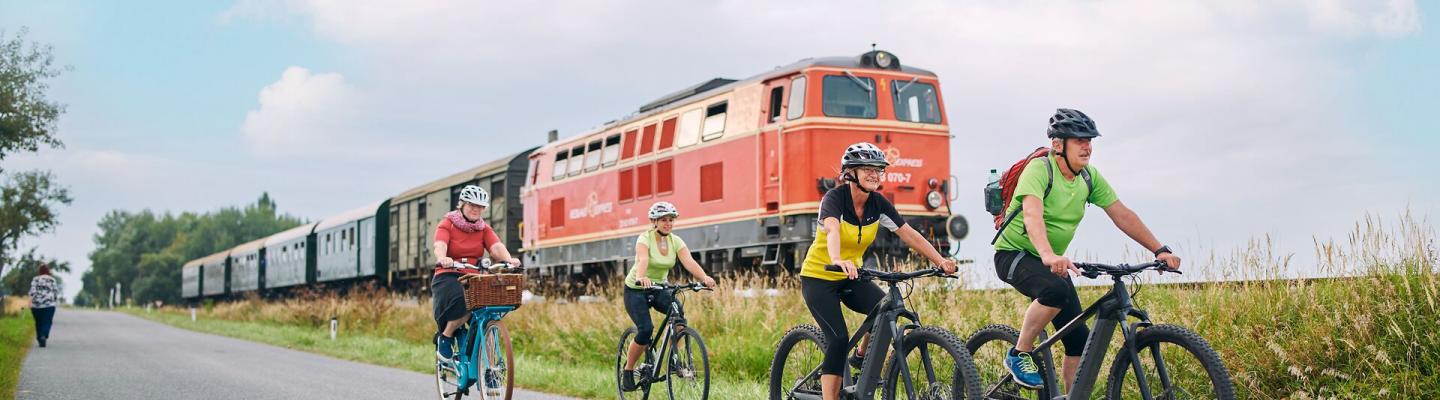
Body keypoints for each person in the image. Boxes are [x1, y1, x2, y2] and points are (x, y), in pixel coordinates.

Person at [995, 108, 1182, 389]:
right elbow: (1032, 215)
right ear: (1058, 145)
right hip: (1014, 255)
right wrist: (1047, 254)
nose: (1087, 146)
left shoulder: (1088, 177)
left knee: (1079, 342)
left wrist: (1160, 250)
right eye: (1079, 140)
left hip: (1051, 262)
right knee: (1055, 290)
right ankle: (1019, 353)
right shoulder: (1040, 169)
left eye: (1090, 140)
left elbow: (1122, 214)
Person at [801, 142, 958, 400]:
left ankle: (861, 357)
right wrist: (838, 259)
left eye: (878, 170)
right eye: (866, 169)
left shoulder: (878, 204)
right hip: (820, 278)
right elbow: (832, 230)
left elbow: (909, 234)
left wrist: (940, 260)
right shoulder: (834, 199)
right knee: (838, 338)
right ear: (850, 172)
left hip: (854, 276)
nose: (874, 174)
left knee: (884, 308)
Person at [620, 201, 717, 391]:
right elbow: (643, 259)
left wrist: (704, 278)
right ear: (654, 221)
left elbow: (689, 262)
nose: (668, 223)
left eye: (671, 220)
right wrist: (641, 277)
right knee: (646, 329)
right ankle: (628, 369)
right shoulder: (644, 239)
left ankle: (674, 358)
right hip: (636, 289)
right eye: (664, 220)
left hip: (658, 288)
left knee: (678, 315)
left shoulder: (676, 241)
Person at [431, 185, 522, 365]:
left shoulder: (483, 228)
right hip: (449, 274)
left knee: (486, 314)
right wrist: (443, 258)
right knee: (465, 301)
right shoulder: (448, 223)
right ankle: (446, 337)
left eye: (480, 207)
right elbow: (439, 244)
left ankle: (490, 368)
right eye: (472, 205)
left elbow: (495, 247)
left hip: (474, 276)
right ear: (462, 205)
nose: (476, 209)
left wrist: (509, 260)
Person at [29, 262, 59, 348]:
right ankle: (43, 335)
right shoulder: (52, 280)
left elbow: (32, 291)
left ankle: (39, 337)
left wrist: (30, 302)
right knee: (47, 321)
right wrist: (55, 300)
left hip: (36, 305)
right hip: (49, 304)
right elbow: (55, 292)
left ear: (40, 271)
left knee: (38, 322)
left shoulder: (35, 279)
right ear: (48, 271)